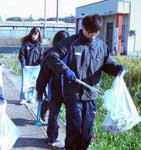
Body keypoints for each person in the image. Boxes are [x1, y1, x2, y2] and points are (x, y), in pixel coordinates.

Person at [44, 14, 127, 150]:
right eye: (89, 32)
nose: (91, 35)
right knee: (74, 129)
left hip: (91, 94)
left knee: (87, 132)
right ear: (83, 27)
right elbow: (51, 56)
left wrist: (117, 69)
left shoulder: (101, 46)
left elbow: (108, 64)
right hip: (73, 94)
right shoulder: (70, 43)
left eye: (95, 32)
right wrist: (64, 70)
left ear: (98, 31)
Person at [36, 30, 69, 146]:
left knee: (56, 115)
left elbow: (43, 74)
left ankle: (53, 138)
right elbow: (44, 73)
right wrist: (40, 89)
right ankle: (55, 138)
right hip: (62, 89)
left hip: (60, 89)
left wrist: (40, 89)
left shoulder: (54, 53)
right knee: (58, 115)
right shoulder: (52, 54)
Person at [18, 27, 43, 104]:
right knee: (25, 83)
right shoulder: (26, 44)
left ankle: (31, 97)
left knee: (33, 83)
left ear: (38, 35)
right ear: (31, 34)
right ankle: (23, 98)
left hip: (35, 67)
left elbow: (41, 56)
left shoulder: (40, 45)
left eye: (36, 34)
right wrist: (23, 62)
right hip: (26, 67)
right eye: (33, 34)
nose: (34, 36)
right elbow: (21, 55)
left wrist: (41, 63)